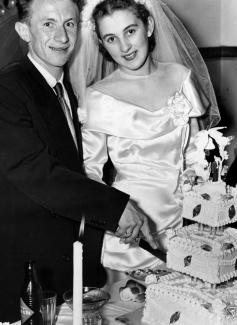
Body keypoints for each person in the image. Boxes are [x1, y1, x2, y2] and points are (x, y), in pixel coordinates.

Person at [0, 0, 158, 323]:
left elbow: (76, 178)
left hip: (65, 278)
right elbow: (41, 176)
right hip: (22, 285)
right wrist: (116, 209)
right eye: (48, 24)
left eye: (69, 23)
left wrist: (118, 227)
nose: (62, 35)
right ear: (23, 30)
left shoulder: (66, 90)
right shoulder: (0, 94)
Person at [69, 0, 221, 280]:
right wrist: (115, 213)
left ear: (148, 26)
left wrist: (204, 199)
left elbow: (201, 152)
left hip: (184, 224)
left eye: (130, 31)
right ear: (102, 43)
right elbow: (88, 172)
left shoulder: (181, 77)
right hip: (128, 232)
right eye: (112, 38)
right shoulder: (97, 97)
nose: (124, 47)